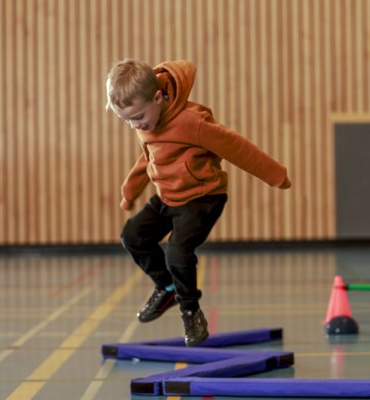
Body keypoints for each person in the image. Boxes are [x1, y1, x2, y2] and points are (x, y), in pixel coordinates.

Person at [106, 59, 291, 346]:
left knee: (177, 253)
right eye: (126, 120)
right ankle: (166, 286)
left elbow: (237, 147)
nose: (134, 125)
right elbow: (149, 158)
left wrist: (275, 175)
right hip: (168, 197)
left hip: (203, 197)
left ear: (158, 97)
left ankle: (191, 312)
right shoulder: (147, 122)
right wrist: (129, 190)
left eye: (137, 116)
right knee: (133, 235)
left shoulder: (193, 122)